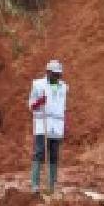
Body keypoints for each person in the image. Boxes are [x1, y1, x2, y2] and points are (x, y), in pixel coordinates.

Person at [29, 60, 68, 193]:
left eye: (59, 75)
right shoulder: (38, 85)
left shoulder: (64, 87)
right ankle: (35, 185)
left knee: (54, 154)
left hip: (57, 125)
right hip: (42, 123)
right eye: (55, 74)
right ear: (48, 72)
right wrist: (39, 102)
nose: (57, 77)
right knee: (39, 152)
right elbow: (31, 105)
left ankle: (51, 185)